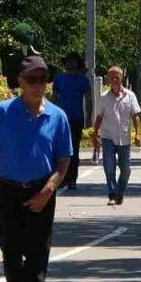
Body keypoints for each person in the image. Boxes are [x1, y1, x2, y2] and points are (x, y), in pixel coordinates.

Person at [0, 55, 73, 282]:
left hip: (42, 188)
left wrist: (48, 190)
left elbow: (64, 161)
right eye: (31, 80)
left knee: (39, 249)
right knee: (12, 249)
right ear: (20, 82)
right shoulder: (3, 112)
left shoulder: (57, 117)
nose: (37, 85)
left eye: (42, 79)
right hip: (9, 190)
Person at [92, 66, 141, 204]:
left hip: (124, 137)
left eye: (117, 76)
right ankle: (112, 194)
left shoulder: (130, 96)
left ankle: (120, 191)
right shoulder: (104, 98)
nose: (114, 79)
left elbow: (135, 117)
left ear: (122, 78)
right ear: (108, 79)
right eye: (112, 77)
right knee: (109, 166)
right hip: (108, 136)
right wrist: (95, 134)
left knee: (126, 169)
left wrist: (137, 134)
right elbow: (99, 117)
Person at [51, 52, 92, 190]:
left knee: (73, 150)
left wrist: (89, 116)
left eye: (73, 61)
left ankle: (72, 179)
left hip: (76, 118)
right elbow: (54, 98)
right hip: (60, 119)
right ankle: (61, 178)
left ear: (78, 63)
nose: (70, 64)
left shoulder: (83, 80)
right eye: (68, 61)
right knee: (59, 150)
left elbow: (88, 99)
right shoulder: (59, 79)